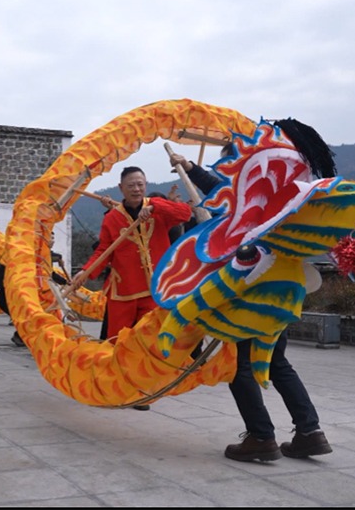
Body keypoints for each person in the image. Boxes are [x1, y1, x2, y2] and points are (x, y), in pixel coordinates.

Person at [169, 136, 333, 462]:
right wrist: (189, 167)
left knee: (242, 365)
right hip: (281, 293)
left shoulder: (252, 200)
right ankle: (310, 431)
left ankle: (261, 437)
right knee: (276, 362)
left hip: (250, 293)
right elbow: (222, 191)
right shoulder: (284, 198)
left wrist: (192, 169)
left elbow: (223, 194)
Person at [70, 166, 192, 341]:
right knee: (118, 341)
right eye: (131, 185)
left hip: (155, 289)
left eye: (140, 185)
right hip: (124, 289)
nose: (136, 189)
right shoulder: (112, 217)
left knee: (150, 341)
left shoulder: (157, 209)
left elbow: (185, 213)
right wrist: (86, 271)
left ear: (146, 185)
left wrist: (155, 207)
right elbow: (104, 250)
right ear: (121, 188)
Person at [0, 258, 24, 347]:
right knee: (3, 304)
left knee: (7, 305)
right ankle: (18, 323)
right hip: (5, 285)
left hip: (13, 285)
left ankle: (21, 332)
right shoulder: (3, 256)